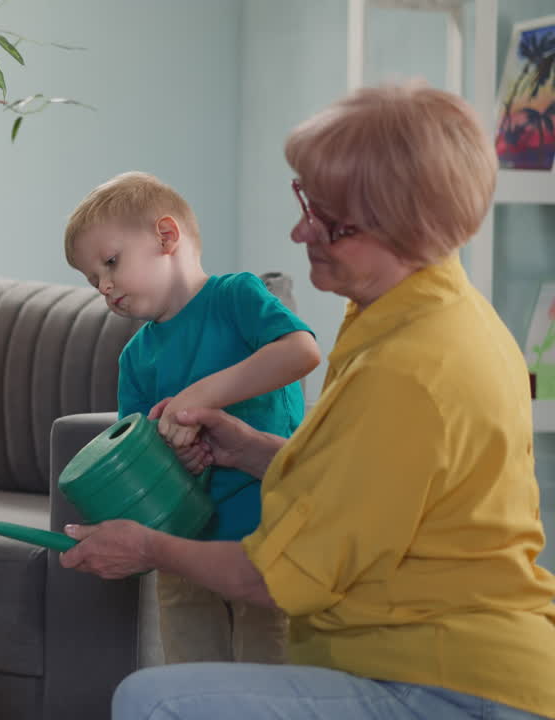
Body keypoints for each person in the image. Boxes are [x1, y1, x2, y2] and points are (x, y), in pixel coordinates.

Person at [60, 82, 555, 720]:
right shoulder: (423, 314)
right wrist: (252, 449)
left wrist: (149, 548)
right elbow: (370, 483)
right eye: (306, 202)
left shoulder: (410, 369)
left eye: (326, 217)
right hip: (447, 663)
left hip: (447, 681)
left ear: (401, 222)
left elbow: (279, 577)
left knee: (154, 701)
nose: (300, 230)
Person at [64, 171, 321, 665]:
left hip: (269, 539)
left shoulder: (236, 297)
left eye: (110, 262)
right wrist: (175, 458)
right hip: (182, 551)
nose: (105, 286)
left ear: (166, 236)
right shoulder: (135, 359)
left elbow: (301, 351)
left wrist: (201, 395)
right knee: (191, 682)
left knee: (267, 681)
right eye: (93, 279)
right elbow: (143, 462)